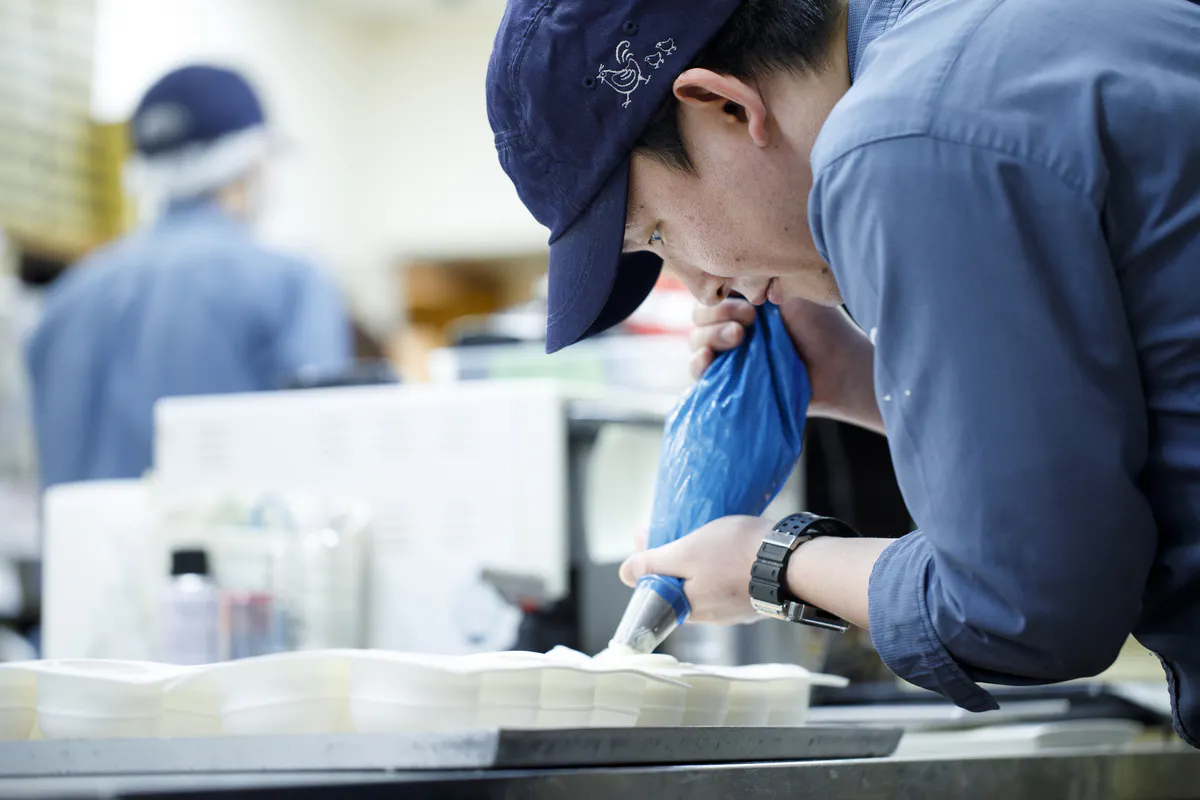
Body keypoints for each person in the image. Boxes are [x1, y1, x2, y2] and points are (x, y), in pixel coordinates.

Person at [486, 0, 1200, 744]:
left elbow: (1027, 603)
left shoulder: (898, 140)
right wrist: (856, 378)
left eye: (659, 233)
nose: (702, 287)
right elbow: (1125, 421)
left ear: (725, 105)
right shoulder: (984, 47)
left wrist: (773, 563)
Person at [26, 65, 352, 488]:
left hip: (74, 535)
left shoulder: (64, 300)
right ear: (250, 164)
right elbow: (322, 463)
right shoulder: (290, 285)